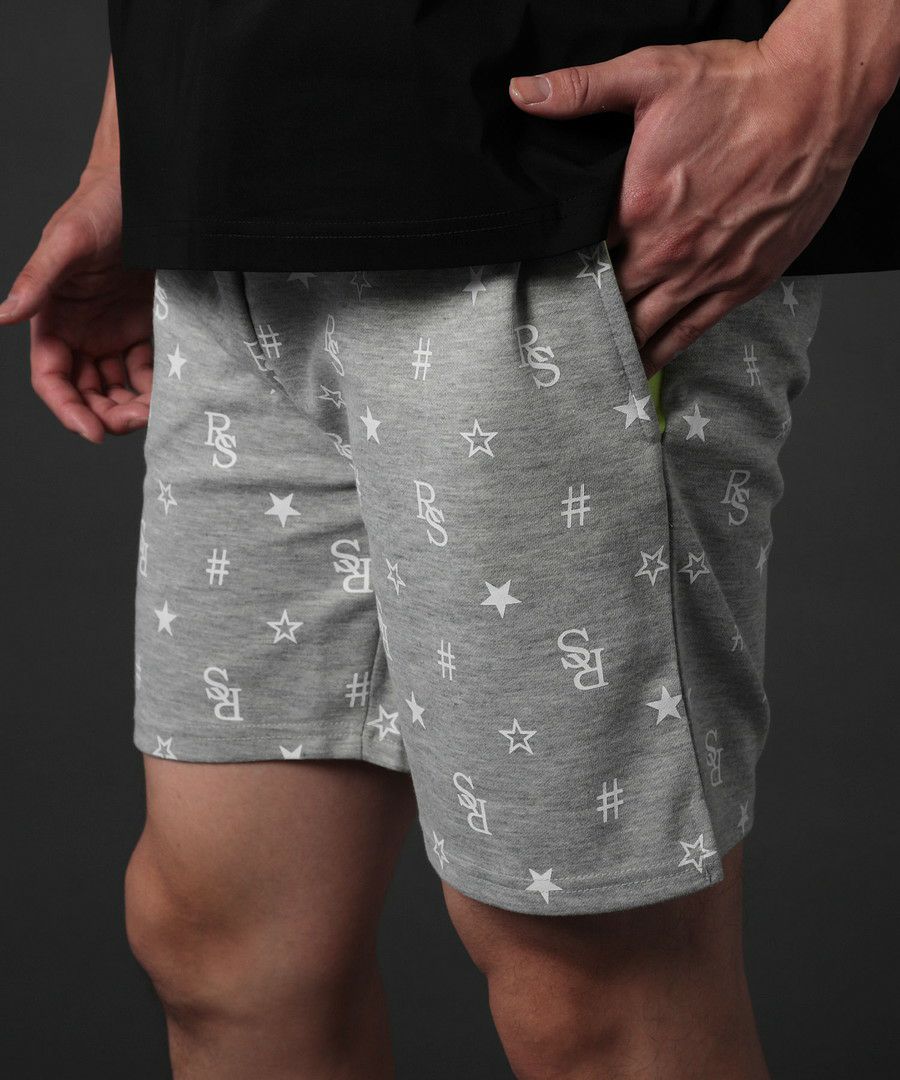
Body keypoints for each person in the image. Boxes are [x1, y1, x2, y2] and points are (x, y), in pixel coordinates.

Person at [1, 0, 897, 1076]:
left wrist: (824, 67)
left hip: (565, 212)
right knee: (220, 948)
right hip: (231, 198)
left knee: (593, 988)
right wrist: (129, 151)